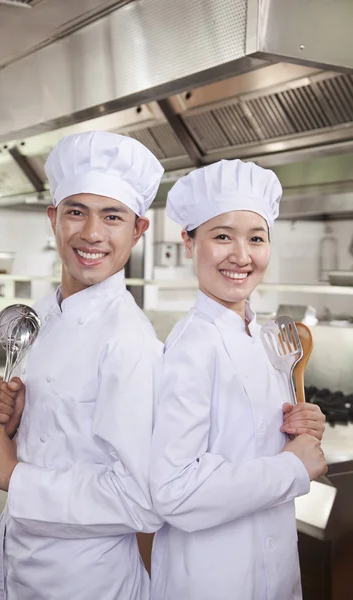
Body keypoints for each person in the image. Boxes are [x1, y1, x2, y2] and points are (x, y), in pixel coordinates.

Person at [0, 131, 164, 600]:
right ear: (53, 219)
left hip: (90, 583)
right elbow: (64, 438)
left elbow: (141, 502)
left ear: (138, 230)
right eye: (77, 211)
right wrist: (16, 421)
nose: (92, 233)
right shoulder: (42, 314)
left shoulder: (130, 342)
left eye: (112, 216)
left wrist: (12, 475)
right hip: (24, 569)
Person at [149, 159, 327, 600]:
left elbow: (251, 441)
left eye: (257, 238)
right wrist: (291, 467)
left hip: (272, 572)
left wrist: (301, 428)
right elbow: (172, 491)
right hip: (210, 580)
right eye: (222, 236)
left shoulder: (263, 338)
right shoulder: (191, 347)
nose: (242, 256)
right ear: (189, 243)